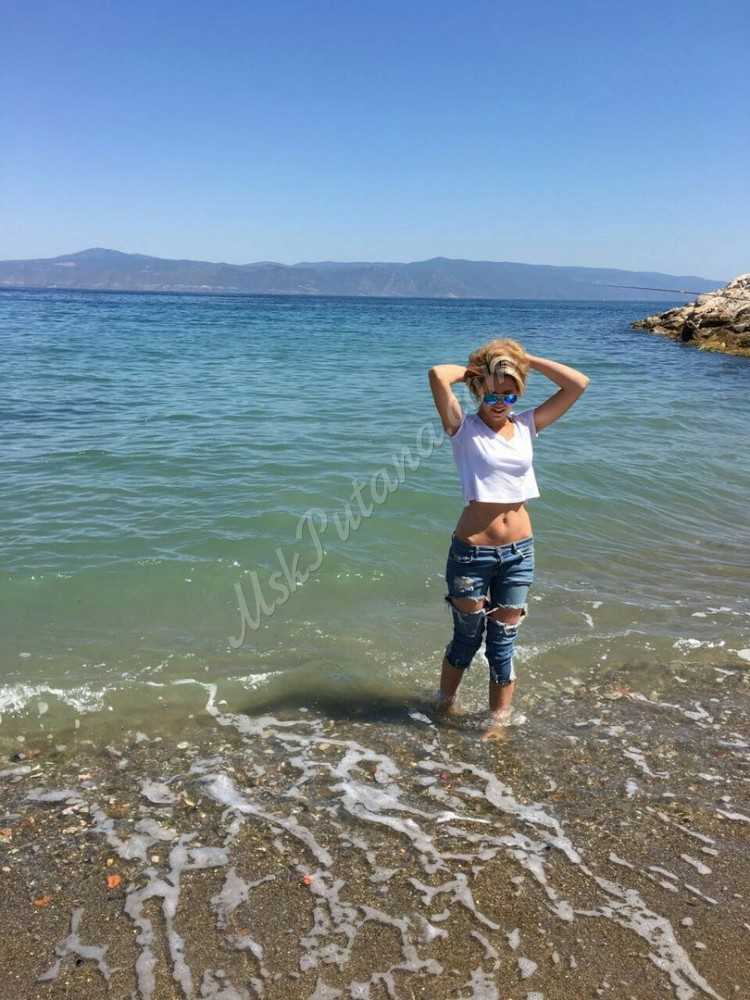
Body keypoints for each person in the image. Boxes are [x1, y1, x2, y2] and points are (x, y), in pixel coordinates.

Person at [428, 338, 590, 740]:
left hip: (519, 553)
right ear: (479, 391)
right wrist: (480, 371)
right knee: (466, 640)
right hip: (472, 553)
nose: (501, 402)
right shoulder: (462, 428)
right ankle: (443, 706)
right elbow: (437, 375)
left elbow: (577, 384)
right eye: (492, 394)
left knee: (503, 643)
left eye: (510, 394)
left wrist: (523, 359)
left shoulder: (526, 426)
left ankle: (497, 724)